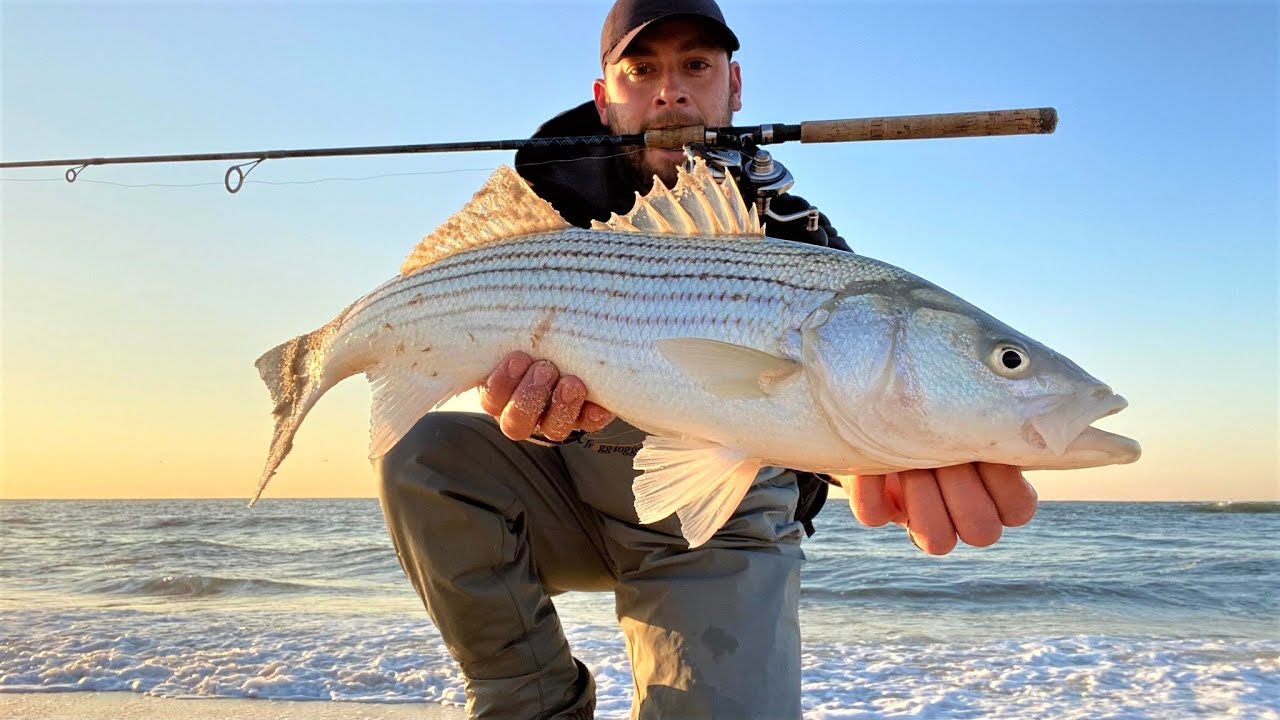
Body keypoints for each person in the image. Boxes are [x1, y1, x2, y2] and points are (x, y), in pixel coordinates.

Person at [376, 1, 1039, 718]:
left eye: (696, 65)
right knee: (424, 452)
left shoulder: (797, 239)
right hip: (573, 499)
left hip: (719, 525)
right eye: (641, 71)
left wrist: (886, 453)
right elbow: (476, 355)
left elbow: (846, 394)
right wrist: (521, 407)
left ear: (735, 85)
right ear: (604, 98)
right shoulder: (542, 215)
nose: (671, 92)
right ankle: (532, 698)